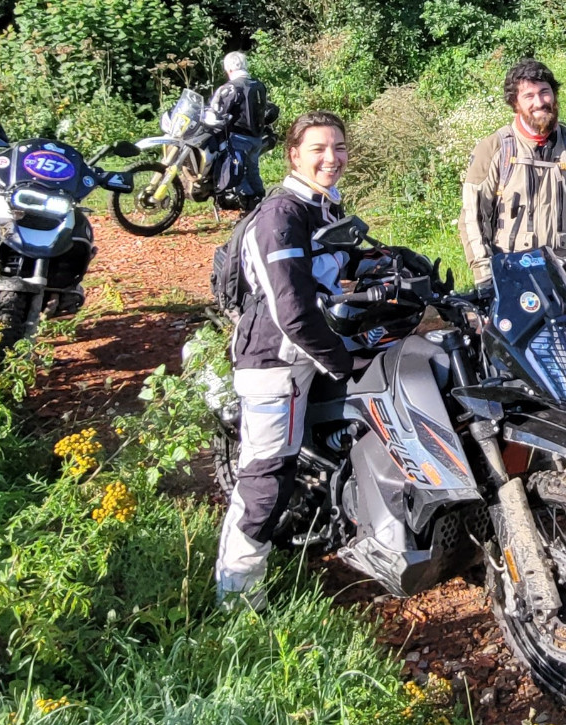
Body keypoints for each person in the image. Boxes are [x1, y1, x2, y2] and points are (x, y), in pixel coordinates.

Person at [214, 111, 355, 609]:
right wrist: (342, 361)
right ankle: (235, 597)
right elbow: (292, 313)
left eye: (338, 147)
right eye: (318, 148)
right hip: (276, 361)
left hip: (312, 351)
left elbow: (348, 258)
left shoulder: (324, 208)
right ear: (293, 155)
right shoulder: (281, 216)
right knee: (267, 478)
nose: (331, 158)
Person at [459, 59, 566, 358]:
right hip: (514, 273)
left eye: (544, 92)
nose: (539, 102)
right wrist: (484, 277)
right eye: (528, 96)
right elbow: (473, 217)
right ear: (515, 103)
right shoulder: (494, 149)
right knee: (522, 357)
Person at [205, 51, 278, 210]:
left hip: (238, 138)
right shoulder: (259, 85)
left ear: (228, 68)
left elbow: (214, 113)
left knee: (238, 174)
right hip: (257, 137)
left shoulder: (230, 88)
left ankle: (249, 209)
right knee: (253, 171)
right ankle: (260, 202)